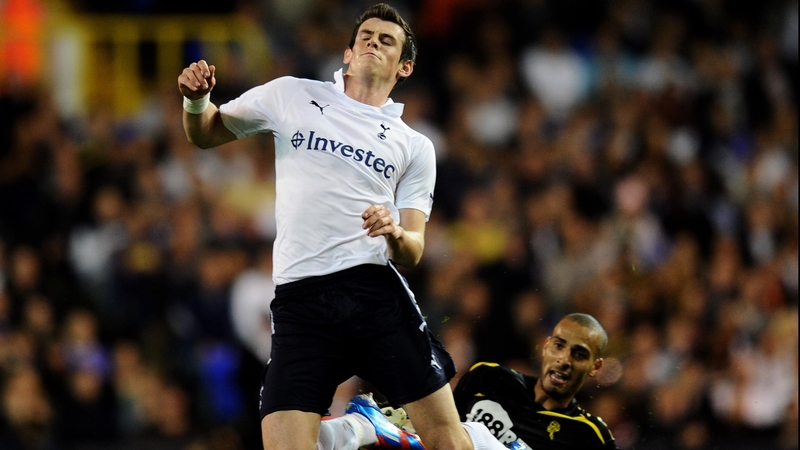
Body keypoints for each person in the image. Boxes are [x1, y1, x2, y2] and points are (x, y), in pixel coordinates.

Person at [177, 4, 507, 450]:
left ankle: (451, 439)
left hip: (373, 293)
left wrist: (393, 232)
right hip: (301, 300)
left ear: (404, 66)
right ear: (348, 53)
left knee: (447, 440)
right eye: (365, 35)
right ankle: (365, 430)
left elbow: (413, 250)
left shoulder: (415, 146)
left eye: (386, 40)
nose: (373, 41)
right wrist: (197, 100)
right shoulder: (291, 95)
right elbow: (206, 133)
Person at [452, 313, 619, 449]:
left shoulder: (589, 436)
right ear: (546, 347)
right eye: (559, 346)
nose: (564, 360)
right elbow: (441, 428)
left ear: (595, 367)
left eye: (579, 354)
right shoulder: (488, 377)